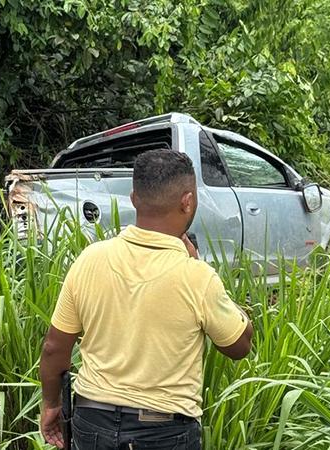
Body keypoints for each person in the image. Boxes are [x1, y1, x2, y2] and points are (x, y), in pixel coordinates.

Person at [39, 149, 253, 449]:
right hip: (164, 432)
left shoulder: (90, 259)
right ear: (187, 201)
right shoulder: (197, 276)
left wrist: (51, 404)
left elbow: (53, 348)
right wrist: (201, 269)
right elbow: (240, 346)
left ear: (133, 199)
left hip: (92, 422)